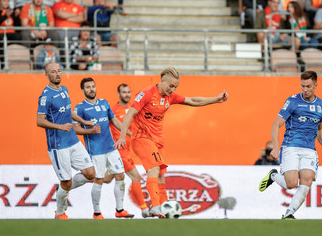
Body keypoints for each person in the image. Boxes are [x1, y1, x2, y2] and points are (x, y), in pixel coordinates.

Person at [114, 67, 228, 218]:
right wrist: (122, 136)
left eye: (175, 87)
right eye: (171, 86)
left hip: (158, 141)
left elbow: (193, 101)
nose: (172, 89)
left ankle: (164, 209)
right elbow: (130, 113)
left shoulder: (170, 97)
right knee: (153, 169)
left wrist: (215, 99)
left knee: (161, 175)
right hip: (142, 138)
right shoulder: (147, 93)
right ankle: (155, 207)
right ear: (162, 81)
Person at [258, 71, 322, 219]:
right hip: (291, 146)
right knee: (291, 184)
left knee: (307, 181)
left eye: (308, 86)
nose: (305, 89)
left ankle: (289, 213)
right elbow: (276, 124)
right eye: (303, 86)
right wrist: (276, 147)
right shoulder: (292, 101)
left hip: (309, 149)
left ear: (316, 85)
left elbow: (319, 127)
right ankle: (273, 176)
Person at [36, 62, 96, 219]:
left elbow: (68, 111)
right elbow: (39, 121)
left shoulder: (64, 89)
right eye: (53, 72)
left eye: (59, 71)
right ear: (47, 75)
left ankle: (62, 188)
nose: (57, 74)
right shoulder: (45, 96)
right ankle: (60, 212)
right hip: (58, 145)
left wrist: (84, 121)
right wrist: (59, 127)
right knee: (67, 182)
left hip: (73, 141)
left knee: (90, 173)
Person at [73, 78, 134, 219]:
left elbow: (115, 121)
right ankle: (97, 213)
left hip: (111, 147)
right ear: (83, 90)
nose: (91, 89)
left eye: (93, 86)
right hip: (96, 150)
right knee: (99, 179)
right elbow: (76, 129)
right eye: (88, 87)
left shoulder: (104, 103)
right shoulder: (80, 108)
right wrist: (90, 131)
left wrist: (129, 133)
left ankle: (120, 210)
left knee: (120, 175)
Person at [105, 84, 149, 218]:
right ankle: (144, 209)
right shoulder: (113, 110)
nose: (127, 94)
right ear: (118, 94)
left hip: (126, 151)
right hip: (118, 151)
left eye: (129, 92)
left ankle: (72, 183)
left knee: (106, 179)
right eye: (124, 92)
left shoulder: (132, 109)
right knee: (136, 176)